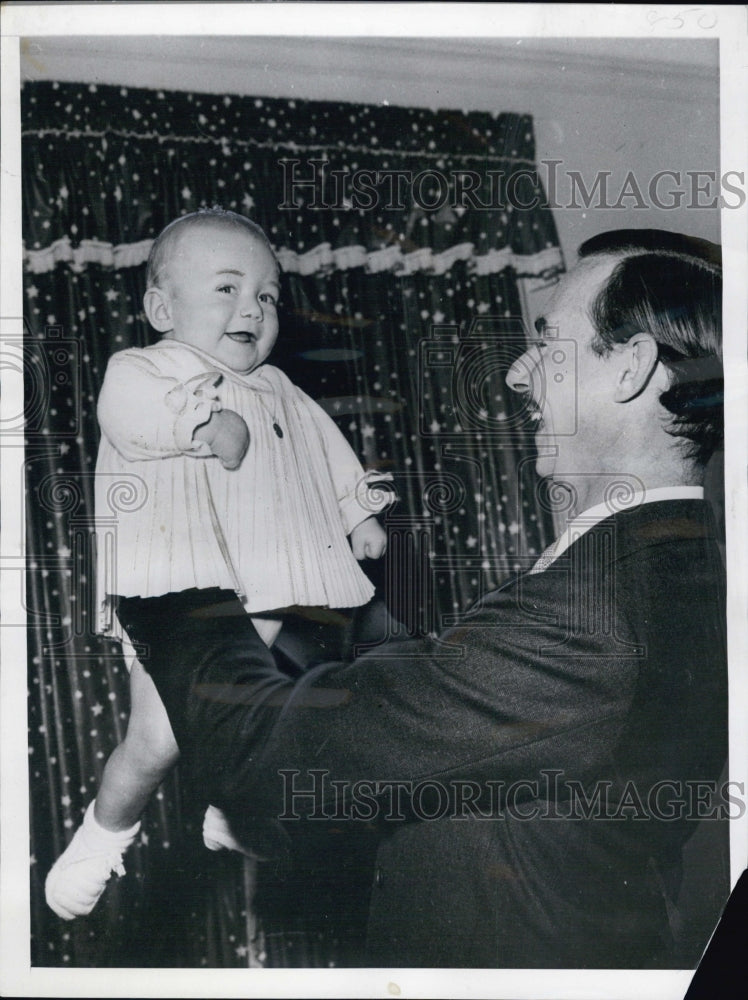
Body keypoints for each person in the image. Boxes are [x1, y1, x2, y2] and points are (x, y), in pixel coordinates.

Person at [97, 228, 728, 967]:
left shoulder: (599, 615)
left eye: (548, 341)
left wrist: (166, 584)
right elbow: (447, 739)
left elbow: (271, 760)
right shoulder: (670, 565)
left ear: (630, 367)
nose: (520, 374)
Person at [44, 208, 392, 920]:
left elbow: (326, 453)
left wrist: (356, 510)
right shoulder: (148, 366)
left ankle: (233, 810)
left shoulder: (281, 388)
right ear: (161, 308)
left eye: (266, 295)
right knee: (160, 736)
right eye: (228, 289)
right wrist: (197, 426)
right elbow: (127, 413)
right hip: (178, 576)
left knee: (247, 705)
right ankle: (105, 831)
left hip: (262, 574)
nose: (252, 309)